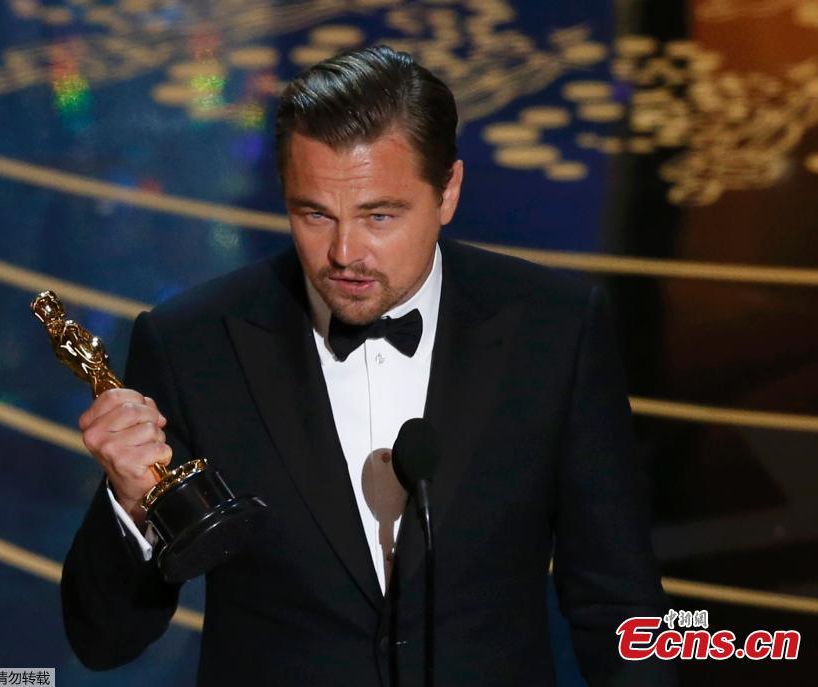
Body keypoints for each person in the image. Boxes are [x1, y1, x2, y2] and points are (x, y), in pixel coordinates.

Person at [61, 45, 674, 686]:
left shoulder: (554, 329)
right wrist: (131, 506)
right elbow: (105, 641)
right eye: (314, 214)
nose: (344, 252)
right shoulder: (193, 344)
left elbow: (619, 602)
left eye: (379, 215)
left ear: (448, 192)